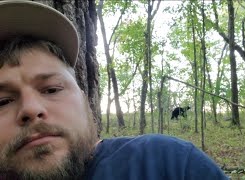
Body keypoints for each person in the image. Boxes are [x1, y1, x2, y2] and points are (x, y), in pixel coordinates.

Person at [0, 1, 229, 180]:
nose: (31, 108)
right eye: (2, 101)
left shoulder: (168, 165)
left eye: (51, 89)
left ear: (85, 99)